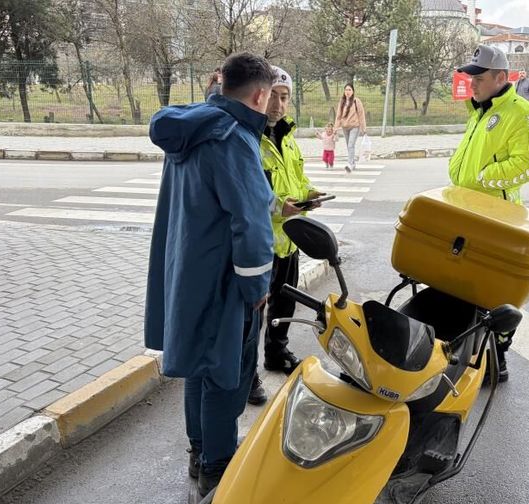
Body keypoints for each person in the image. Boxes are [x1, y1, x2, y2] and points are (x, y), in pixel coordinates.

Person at [145, 52, 276, 497]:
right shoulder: (234, 139)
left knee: (199, 369)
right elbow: (252, 226)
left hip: (188, 273)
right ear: (259, 94)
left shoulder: (191, 129)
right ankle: (218, 467)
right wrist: (258, 288)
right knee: (226, 372)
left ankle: (199, 453)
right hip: (224, 281)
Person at [449, 44, 529, 383]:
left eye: (478, 77)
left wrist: (482, 179)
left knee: (497, 294)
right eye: (470, 77)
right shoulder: (482, 109)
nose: (471, 83)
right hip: (469, 212)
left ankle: (498, 358)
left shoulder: (522, 113)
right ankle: (466, 351)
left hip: (498, 217)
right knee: (465, 286)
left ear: (501, 77)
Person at [249, 65, 325, 405]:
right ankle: (247, 375)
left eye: (284, 97)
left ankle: (276, 354)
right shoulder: (251, 139)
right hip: (262, 244)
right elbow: (250, 194)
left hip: (289, 240)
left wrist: (311, 194)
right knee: (252, 317)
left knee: (284, 303)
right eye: (273, 97)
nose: (278, 105)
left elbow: (297, 180)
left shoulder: (288, 138)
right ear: (260, 96)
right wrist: (281, 207)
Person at [334, 83, 367, 173]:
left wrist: (363, 128)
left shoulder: (356, 101)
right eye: (346, 90)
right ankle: (353, 162)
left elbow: (361, 115)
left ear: (353, 91)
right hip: (345, 127)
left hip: (355, 127)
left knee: (351, 145)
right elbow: (338, 116)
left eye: (349, 90)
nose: (347, 92)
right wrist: (335, 128)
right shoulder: (342, 101)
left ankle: (350, 164)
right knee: (349, 146)